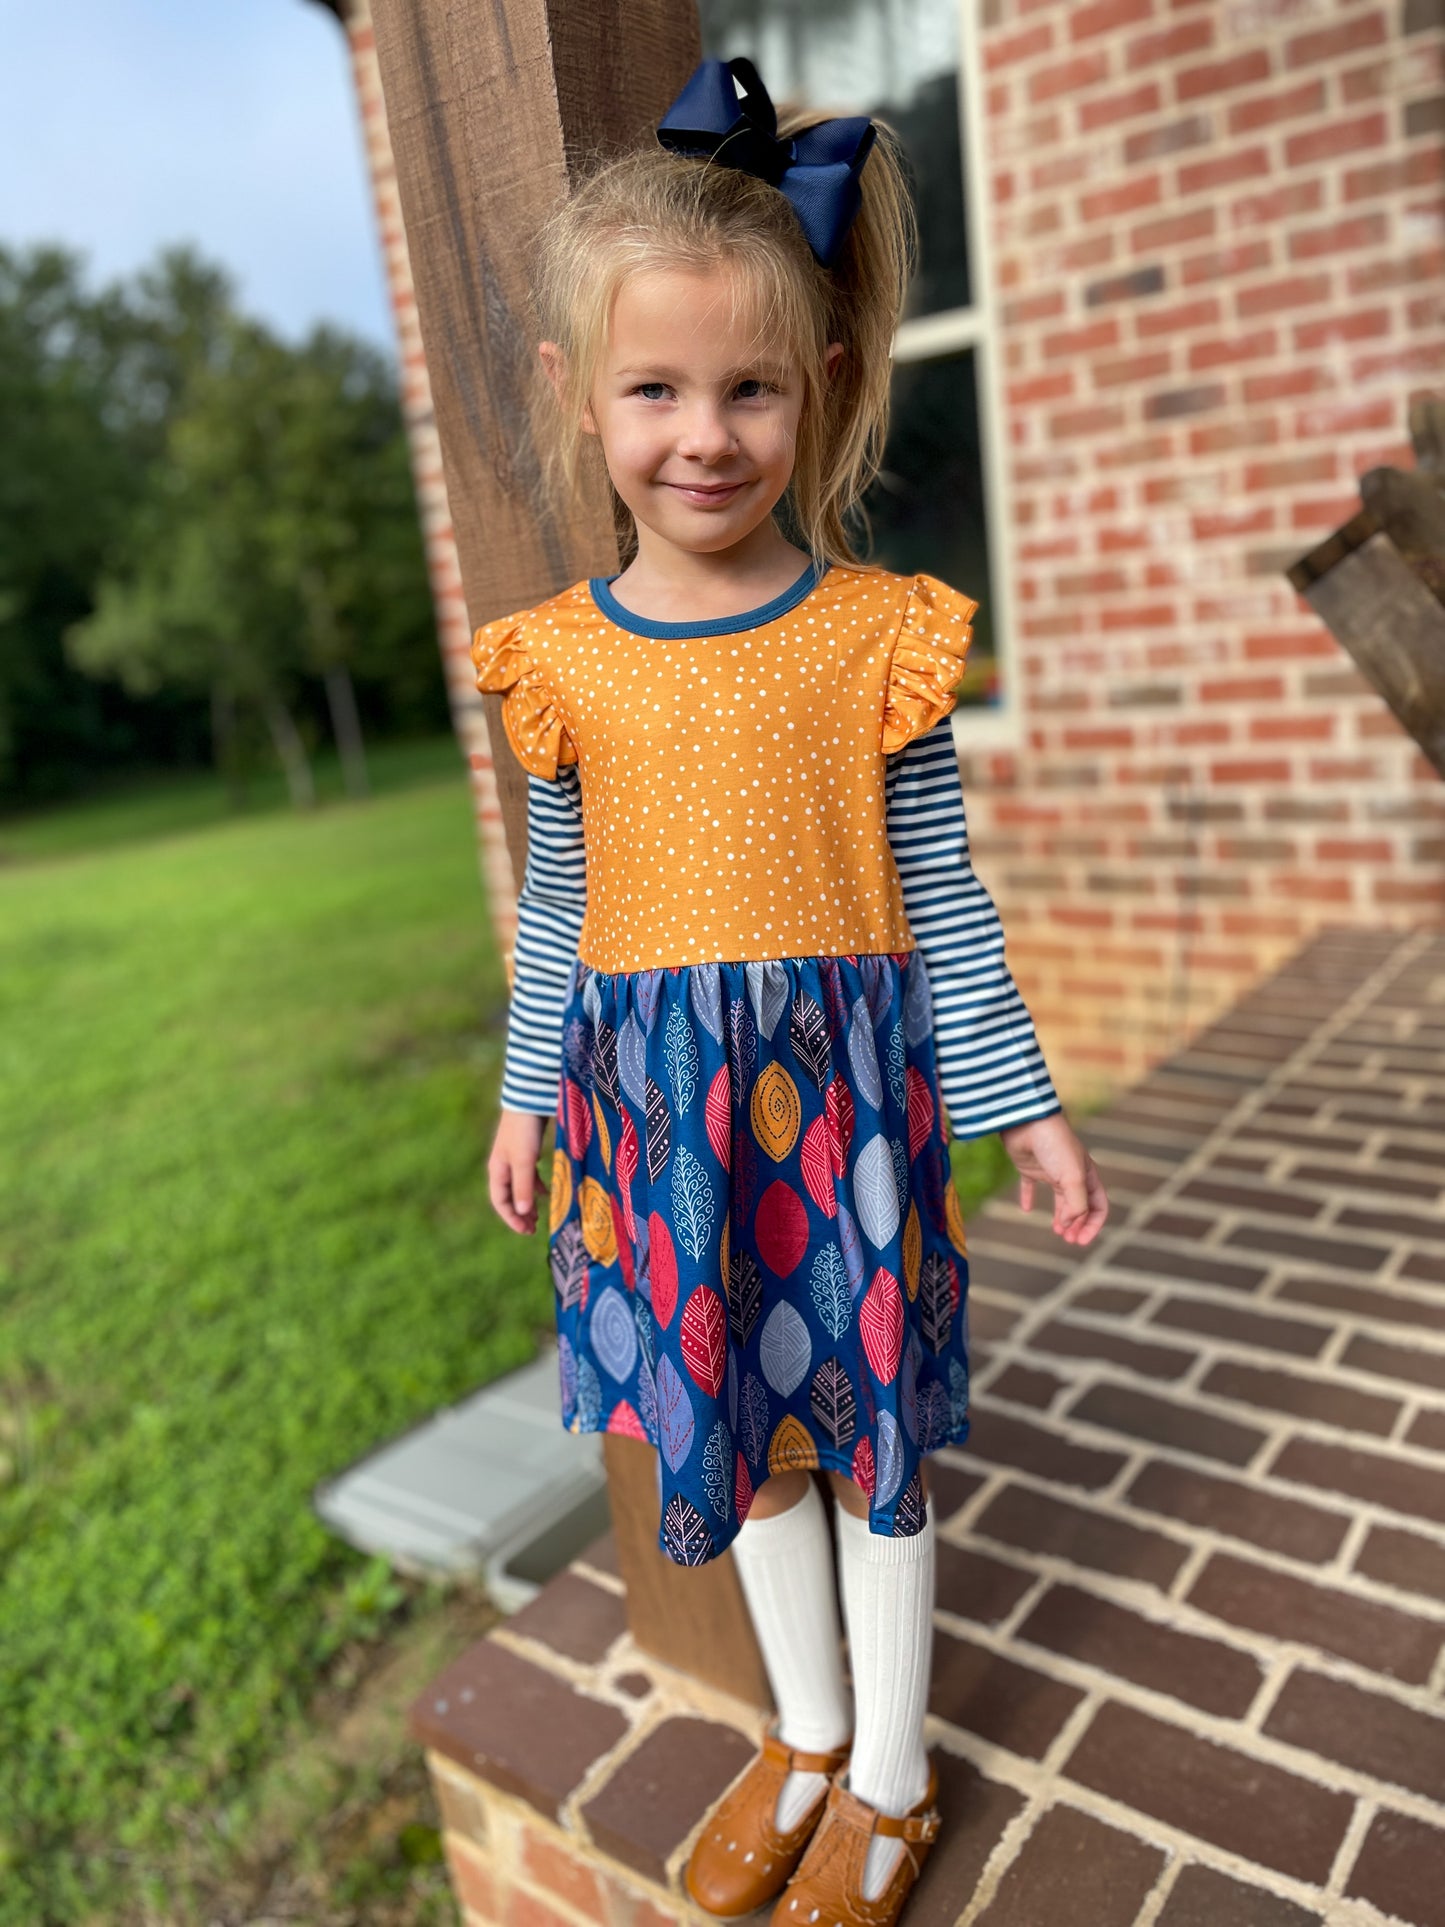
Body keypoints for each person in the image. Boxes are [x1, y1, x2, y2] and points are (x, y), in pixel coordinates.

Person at [479, 56, 1108, 1927]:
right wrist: (526, 1096)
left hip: (841, 1116)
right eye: (655, 389)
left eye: (749, 384)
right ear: (580, 402)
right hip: (650, 1120)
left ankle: (899, 1777)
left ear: (819, 385)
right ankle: (810, 1732)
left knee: (869, 1453)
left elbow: (943, 901)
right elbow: (557, 910)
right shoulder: (561, 663)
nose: (704, 433)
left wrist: (1027, 1104)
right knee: (740, 1451)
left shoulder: (872, 643)